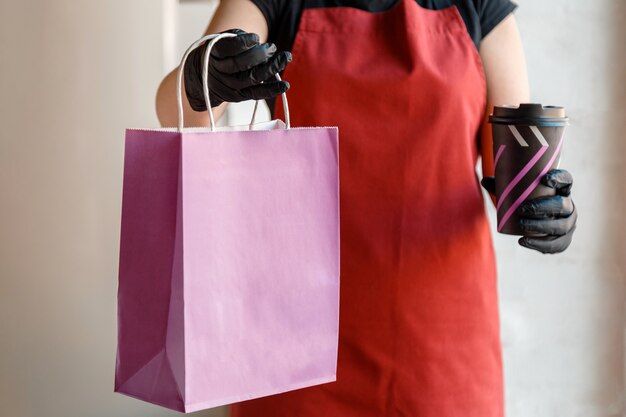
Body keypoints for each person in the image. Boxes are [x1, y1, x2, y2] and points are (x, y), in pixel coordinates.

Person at [156, 0, 578, 415]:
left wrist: (548, 208)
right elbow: (173, 110)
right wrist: (203, 78)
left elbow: (514, 165)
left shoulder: (480, 6)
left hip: (442, 341)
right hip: (292, 338)